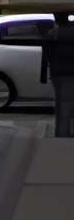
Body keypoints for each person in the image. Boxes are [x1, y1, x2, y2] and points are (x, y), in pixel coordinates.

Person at [44, 13, 74, 141]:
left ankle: (62, 134)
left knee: (62, 105)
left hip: (58, 73)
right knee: (69, 103)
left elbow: (47, 56)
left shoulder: (52, 34)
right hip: (71, 73)